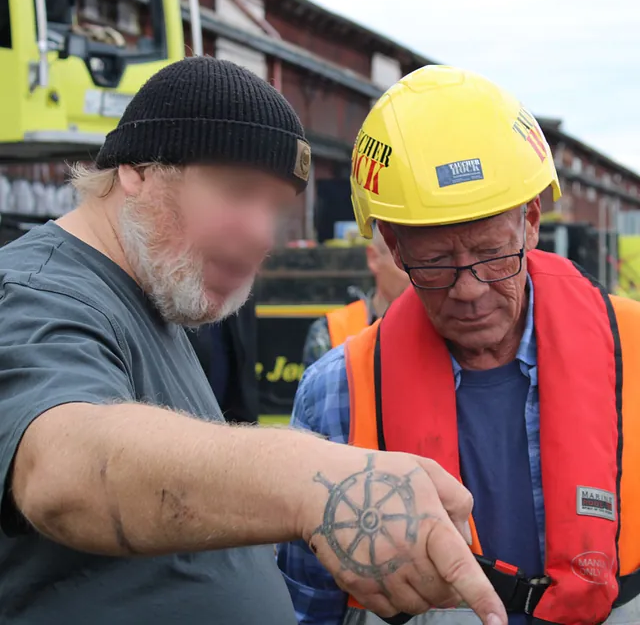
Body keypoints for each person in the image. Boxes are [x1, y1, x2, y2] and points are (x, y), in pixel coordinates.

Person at [0, 57, 508, 625]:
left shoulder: (155, 297)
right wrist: (319, 478)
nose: (263, 234)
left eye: (275, 209)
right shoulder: (34, 290)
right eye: (237, 191)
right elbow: (61, 470)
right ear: (134, 170)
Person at [277, 65, 640, 625]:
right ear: (394, 248)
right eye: (436, 263)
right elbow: (308, 607)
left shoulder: (634, 353)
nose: (469, 290)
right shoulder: (336, 394)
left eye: (493, 255)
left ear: (532, 221)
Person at [302, 224, 409, 366]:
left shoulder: (440, 327)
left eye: (427, 261)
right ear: (374, 258)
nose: (418, 273)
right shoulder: (330, 331)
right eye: (405, 259)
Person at [185, 294, 260, 424]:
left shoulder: (240, 298)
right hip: (187, 420)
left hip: (231, 421)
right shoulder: (177, 295)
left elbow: (245, 365)